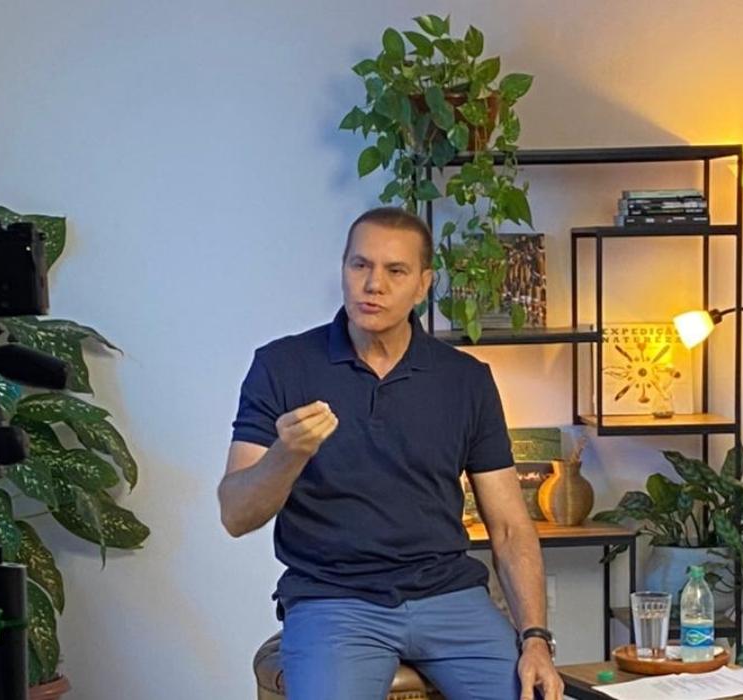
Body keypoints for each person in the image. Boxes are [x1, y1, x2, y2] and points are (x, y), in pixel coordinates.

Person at [218, 207, 563, 700]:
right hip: (333, 601)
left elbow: (509, 526)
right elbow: (235, 514)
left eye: (395, 271)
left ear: (423, 284)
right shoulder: (281, 366)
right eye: (360, 265)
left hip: (450, 597)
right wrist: (287, 454)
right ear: (343, 269)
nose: (373, 284)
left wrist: (535, 639)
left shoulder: (466, 380)